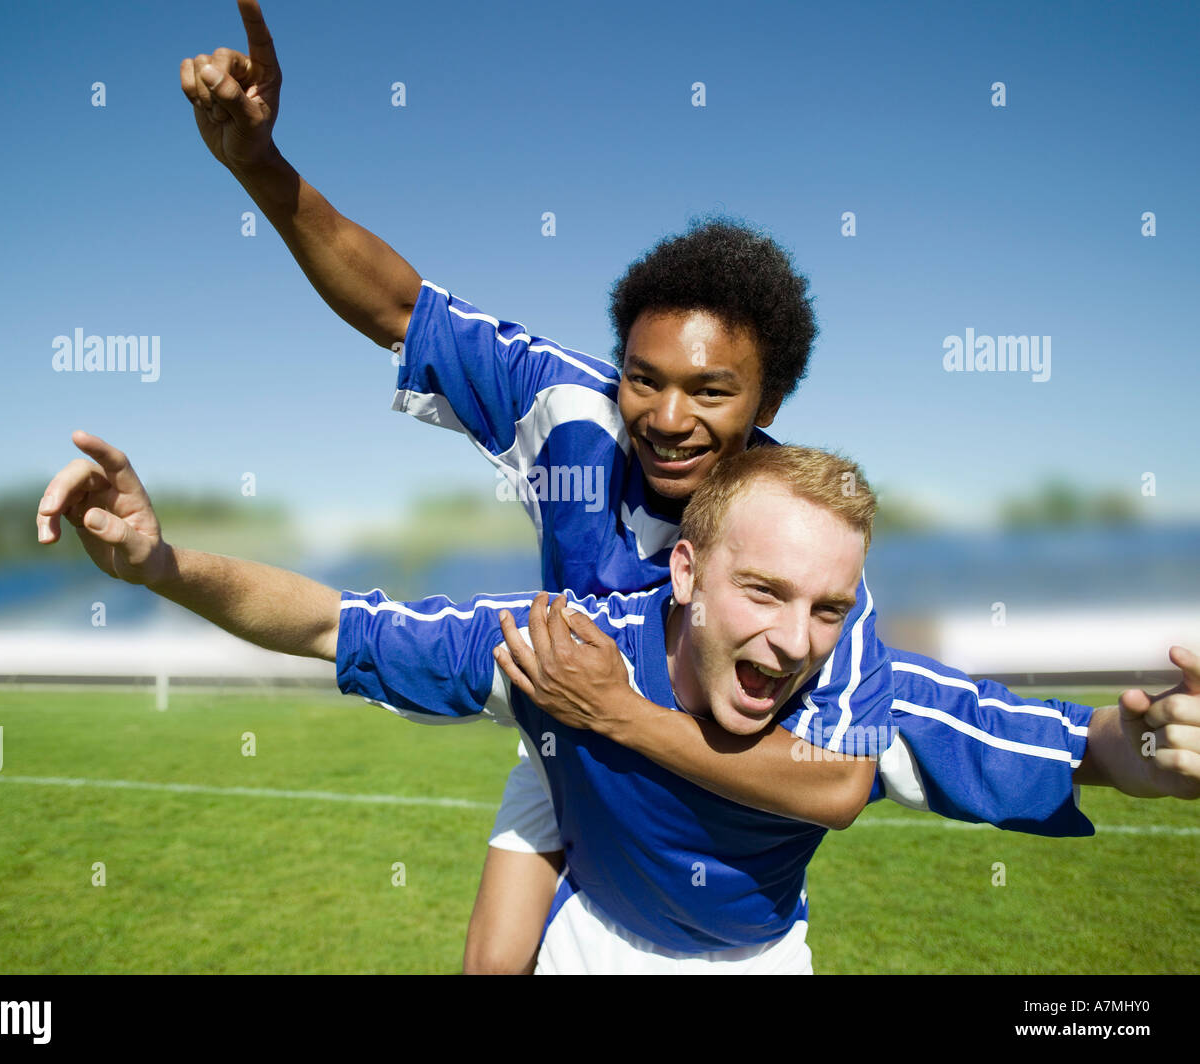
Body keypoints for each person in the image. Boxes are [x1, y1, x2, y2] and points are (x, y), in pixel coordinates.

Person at [172, 1, 1200, 973]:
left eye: (711, 391)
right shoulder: (570, 411)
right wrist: (258, 166)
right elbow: (401, 308)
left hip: (633, 731)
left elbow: (900, 747)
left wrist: (1138, 738)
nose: (666, 417)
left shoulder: (788, 551)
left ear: (766, 398)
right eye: (644, 379)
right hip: (571, 705)